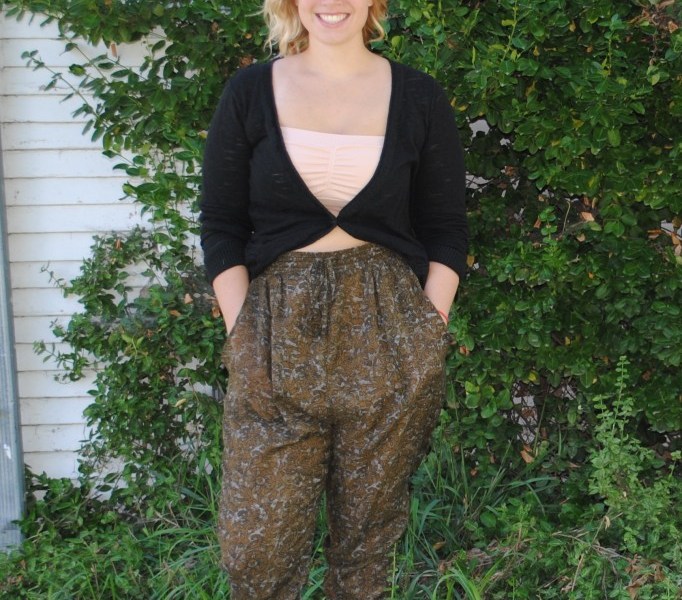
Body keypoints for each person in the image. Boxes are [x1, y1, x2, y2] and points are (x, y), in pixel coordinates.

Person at [199, 0, 467, 597]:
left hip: (389, 333)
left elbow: (446, 227)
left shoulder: (419, 97)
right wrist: (244, 334)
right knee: (257, 549)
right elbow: (220, 225)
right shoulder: (249, 93)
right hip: (275, 334)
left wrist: (428, 330)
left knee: (366, 549)